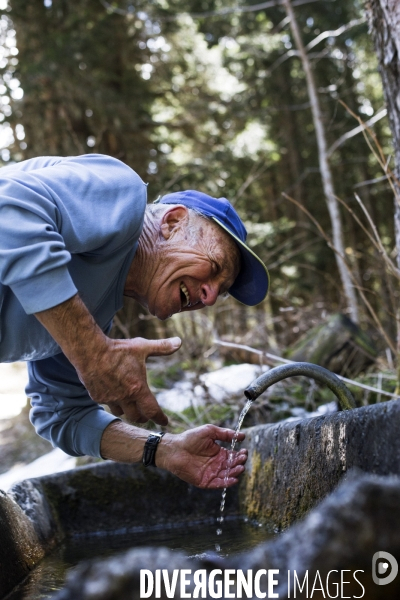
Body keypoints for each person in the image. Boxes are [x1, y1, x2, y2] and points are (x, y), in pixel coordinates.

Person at [0, 154, 269, 489]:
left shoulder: (90, 317)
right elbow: (8, 210)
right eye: (214, 268)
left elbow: (62, 414)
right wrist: (92, 351)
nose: (210, 297)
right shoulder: (120, 191)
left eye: (221, 291)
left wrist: (165, 449)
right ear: (172, 223)